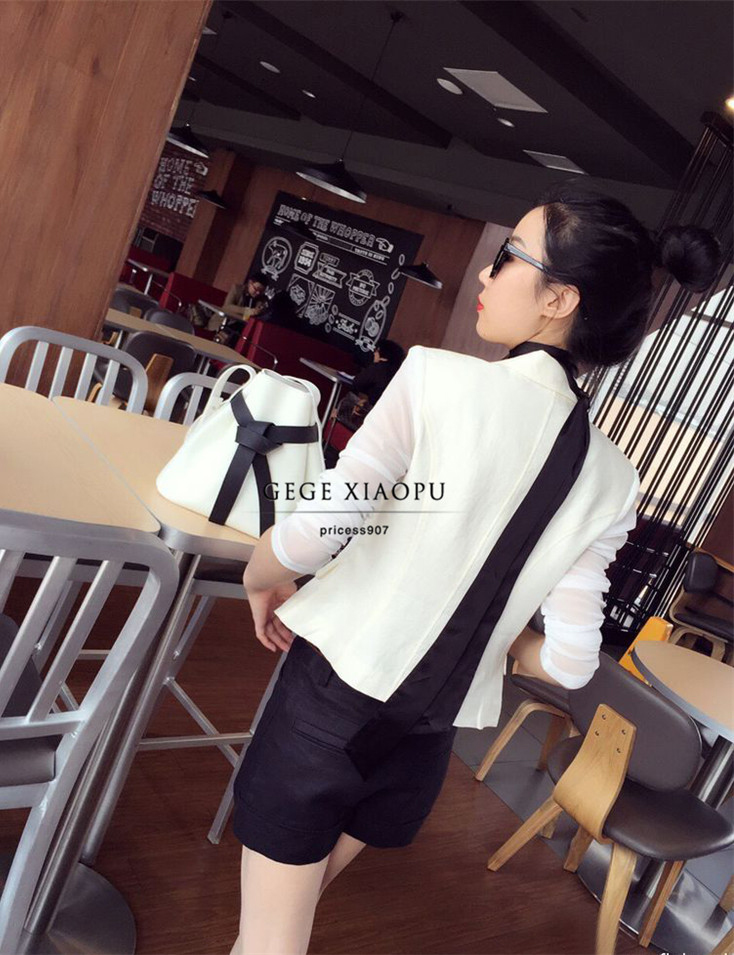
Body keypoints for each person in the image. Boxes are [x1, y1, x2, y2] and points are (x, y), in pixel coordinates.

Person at [229, 183, 720, 955]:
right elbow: (570, 661)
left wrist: (261, 576)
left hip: (329, 701)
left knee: (270, 940)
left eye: (507, 257)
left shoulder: (434, 378)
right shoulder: (613, 478)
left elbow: (314, 534)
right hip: (424, 737)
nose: (487, 276)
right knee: (289, 917)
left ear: (559, 298)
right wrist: (498, 638)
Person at [332, 339, 407, 431]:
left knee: (344, 402)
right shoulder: (398, 373)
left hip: (370, 415)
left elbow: (357, 383)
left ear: (383, 354)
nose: (374, 353)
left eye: (376, 350)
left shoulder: (378, 368)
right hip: (387, 420)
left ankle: (329, 430)